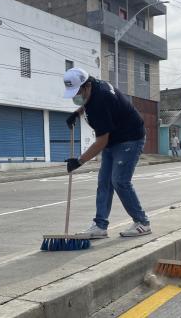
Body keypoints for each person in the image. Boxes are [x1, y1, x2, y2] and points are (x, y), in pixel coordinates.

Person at [63, 68, 151, 238]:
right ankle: (100, 225)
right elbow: (86, 103)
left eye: (78, 92)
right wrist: (76, 113)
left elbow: (101, 141)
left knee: (120, 181)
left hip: (130, 139)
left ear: (87, 85)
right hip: (114, 139)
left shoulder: (100, 100)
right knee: (104, 181)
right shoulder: (93, 87)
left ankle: (143, 222)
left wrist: (79, 161)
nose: (76, 96)